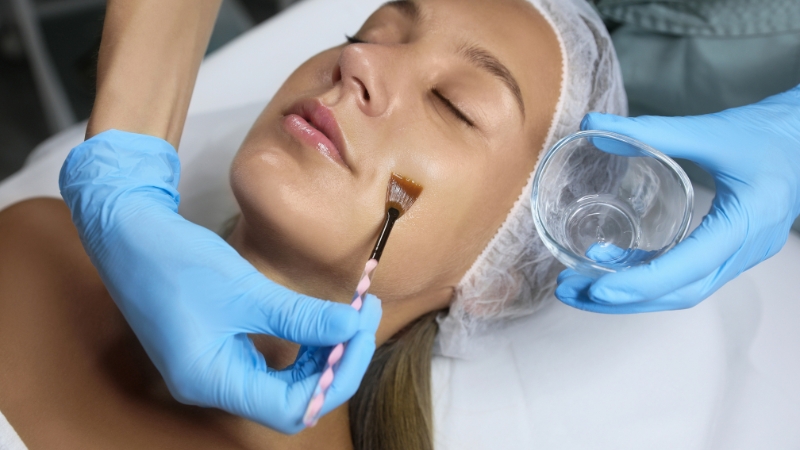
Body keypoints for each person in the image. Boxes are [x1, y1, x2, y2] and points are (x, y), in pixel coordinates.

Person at [1, 0, 625, 447]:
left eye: (454, 105)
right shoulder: (37, 248)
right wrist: (121, 175)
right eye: (369, 32)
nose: (358, 61)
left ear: (501, 275)